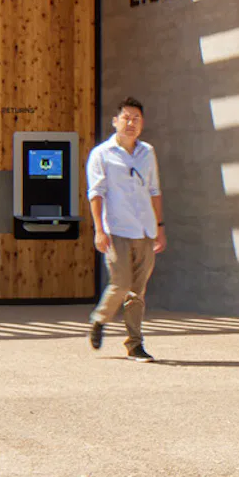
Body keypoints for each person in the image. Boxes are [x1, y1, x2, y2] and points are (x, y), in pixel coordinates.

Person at [85, 97, 161, 360]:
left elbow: (154, 190)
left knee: (137, 292)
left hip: (145, 230)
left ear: (142, 123)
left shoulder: (147, 152)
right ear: (115, 121)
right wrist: (99, 229)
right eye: (126, 118)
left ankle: (135, 344)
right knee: (120, 283)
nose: (131, 123)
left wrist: (159, 227)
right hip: (116, 229)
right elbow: (96, 193)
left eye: (136, 119)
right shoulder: (101, 154)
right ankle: (100, 318)